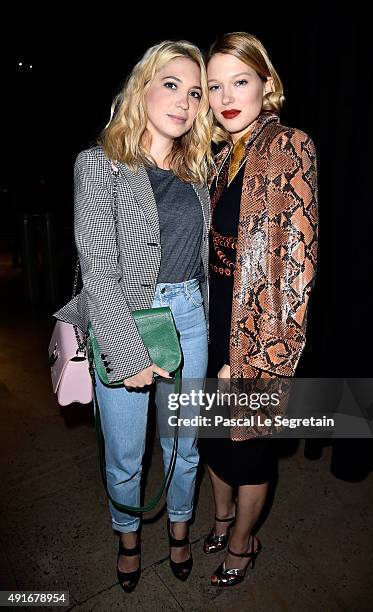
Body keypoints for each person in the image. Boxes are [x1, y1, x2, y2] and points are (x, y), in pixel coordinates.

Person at [54, 40, 212, 592]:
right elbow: (98, 266)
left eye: (195, 93)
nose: (184, 101)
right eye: (171, 84)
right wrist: (126, 349)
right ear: (140, 89)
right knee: (126, 452)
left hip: (190, 314)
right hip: (128, 317)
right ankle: (128, 538)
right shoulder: (99, 165)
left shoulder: (199, 171)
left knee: (183, 445)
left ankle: (179, 531)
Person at [199, 32, 318, 587]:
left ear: (266, 84)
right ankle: (222, 519)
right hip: (210, 318)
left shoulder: (289, 144)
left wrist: (247, 364)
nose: (227, 95)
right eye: (215, 84)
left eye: (239, 81)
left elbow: (296, 269)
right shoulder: (223, 153)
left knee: (247, 451)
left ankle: (245, 543)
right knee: (212, 440)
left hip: (256, 328)